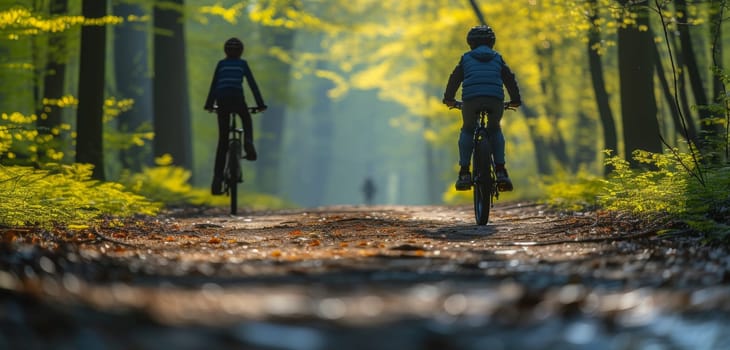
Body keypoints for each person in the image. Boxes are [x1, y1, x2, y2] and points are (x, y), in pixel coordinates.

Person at [442, 25, 521, 192]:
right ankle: (500, 171)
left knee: (468, 130)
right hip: (495, 100)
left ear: (470, 43)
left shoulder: (466, 58)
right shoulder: (498, 58)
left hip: (471, 100)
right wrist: (515, 100)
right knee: (495, 130)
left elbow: (454, 79)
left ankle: (464, 173)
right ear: (492, 42)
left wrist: (449, 99)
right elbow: (509, 79)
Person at [205, 37, 267, 195]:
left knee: (223, 141)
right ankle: (248, 142)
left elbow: (214, 85)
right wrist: (260, 104)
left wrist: (209, 104)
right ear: (241, 51)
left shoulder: (221, 64)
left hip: (222, 100)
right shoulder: (242, 64)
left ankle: (217, 180)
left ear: (225, 51)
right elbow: (252, 85)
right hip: (237, 99)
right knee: (246, 118)